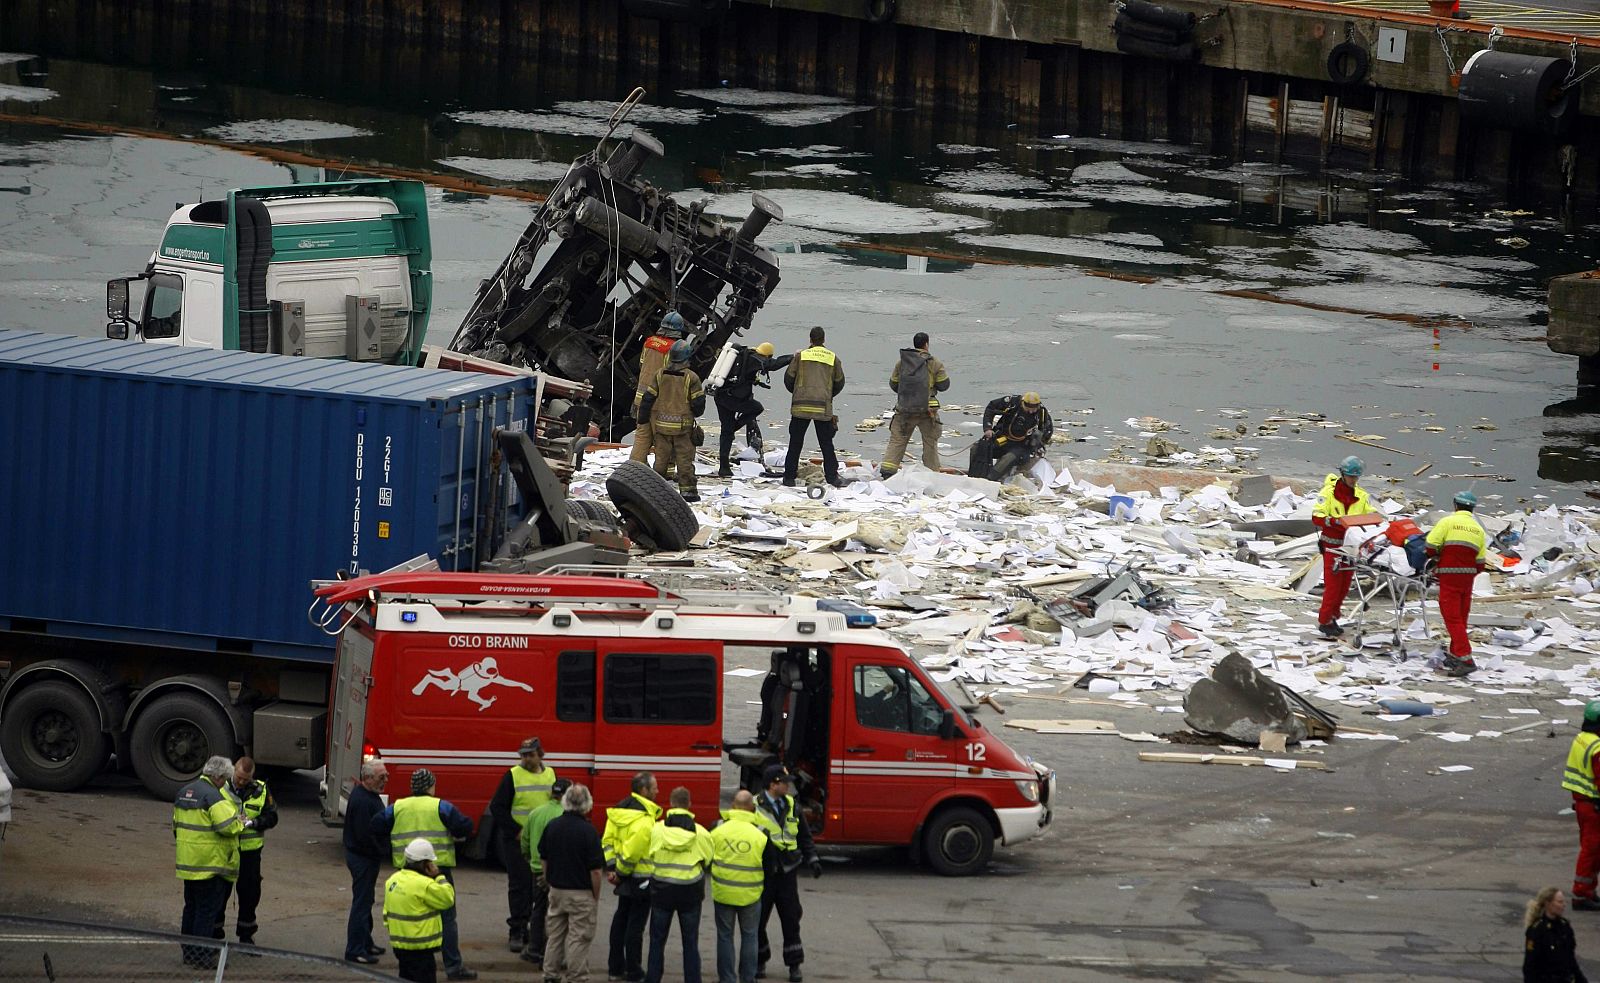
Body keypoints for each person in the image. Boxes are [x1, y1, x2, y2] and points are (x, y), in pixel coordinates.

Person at [373, 769, 477, 981]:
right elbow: (465, 826)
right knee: (447, 918)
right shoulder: (441, 806)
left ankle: (409, 957)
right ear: (431, 786)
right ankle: (453, 967)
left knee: (410, 915)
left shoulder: (398, 807)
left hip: (407, 871)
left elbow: (375, 824)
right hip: (436, 870)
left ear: (412, 787)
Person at [174, 754, 246, 969]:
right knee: (206, 913)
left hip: (188, 863)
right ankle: (201, 956)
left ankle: (188, 952)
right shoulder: (214, 796)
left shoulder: (183, 793)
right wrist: (241, 823)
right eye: (224, 779)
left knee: (191, 908)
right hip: (210, 865)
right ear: (218, 777)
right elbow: (228, 826)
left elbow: (176, 827)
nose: (224, 784)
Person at [489, 737, 557, 953]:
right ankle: (517, 929)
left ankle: (535, 931)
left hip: (542, 842)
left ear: (540, 754)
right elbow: (497, 807)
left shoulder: (551, 774)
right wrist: (516, 831)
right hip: (517, 841)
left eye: (530, 755)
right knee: (519, 885)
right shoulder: (513, 775)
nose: (526, 759)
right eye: (523, 755)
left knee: (541, 886)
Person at [754, 766, 821, 983]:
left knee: (791, 920)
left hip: (787, 872)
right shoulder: (754, 806)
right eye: (784, 782)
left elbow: (804, 836)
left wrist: (813, 858)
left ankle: (794, 965)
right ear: (773, 784)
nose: (788, 785)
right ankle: (760, 960)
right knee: (758, 920)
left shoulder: (792, 805)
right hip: (763, 874)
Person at [642, 787, 714, 983]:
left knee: (657, 941)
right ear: (689, 804)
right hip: (690, 891)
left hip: (661, 890)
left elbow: (650, 853)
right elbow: (708, 860)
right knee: (690, 942)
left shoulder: (657, 829)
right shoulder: (701, 833)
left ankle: (653, 979)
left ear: (671, 804)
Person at [540, 782, 606, 983]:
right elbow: (596, 871)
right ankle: (576, 977)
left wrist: (549, 881)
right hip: (581, 893)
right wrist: (595, 896)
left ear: (565, 801)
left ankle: (550, 975)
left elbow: (544, 858)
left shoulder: (552, 826)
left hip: (557, 890)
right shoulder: (589, 831)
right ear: (587, 804)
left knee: (555, 936)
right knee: (579, 938)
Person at [603, 771, 663, 983]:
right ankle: (633, 971)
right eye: (654, 787)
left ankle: (615, 968)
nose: (658, 791)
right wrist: (621, 873)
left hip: (624, 877)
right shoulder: (644, 820)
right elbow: (632, 853)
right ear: (644, 790)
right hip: (641, 879)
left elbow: (607, 842)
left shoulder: (617, 812)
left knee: (620, 921)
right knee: (635, 928)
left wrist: (612, 868)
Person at [1311, 455, 1376, 639]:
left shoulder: (1361, 496)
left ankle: (1333, 617)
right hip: (1332, 545)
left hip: (1351, 546)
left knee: (1345, 585)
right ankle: (1325, 620)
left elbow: (1370, 515)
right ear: (1343, 474)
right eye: (1350, 476)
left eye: (1356, 477)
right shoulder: (1328, 493)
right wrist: (1335, 521)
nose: (1353, 480)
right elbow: (1316, 517)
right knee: (1333, 585)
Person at [1425, 490, 1489, 677]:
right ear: (1472, 508)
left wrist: (1437, 560)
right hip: (1468, 579)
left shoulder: (1447, 522)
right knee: (1461, 617)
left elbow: (1431, 545)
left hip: (1449, 576)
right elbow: (1480, 563)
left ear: (1455, 505)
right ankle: (1455, 654)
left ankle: (1466, 659)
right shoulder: (1478, 529)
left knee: (1451, 617)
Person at [638, 339, 706, 502]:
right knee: (684, 460)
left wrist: (643, 418)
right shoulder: (691, 377)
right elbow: (698, 404)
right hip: (683, 428)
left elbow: (648, 398)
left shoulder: (660, 374)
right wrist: (695, 413)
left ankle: (656, 491)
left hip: (661, 426)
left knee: (661, 460)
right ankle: (688, 492)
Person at [710, 791, 768, 983]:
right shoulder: (762, 832)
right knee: (750, 936)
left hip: (723, 892)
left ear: (733, 806)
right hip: (751, 894)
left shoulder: (718, 827)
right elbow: (769, 866)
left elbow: (707, 857)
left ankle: (727, 978)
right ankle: (748, 978)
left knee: (725, 937)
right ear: (752, 807)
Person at [384, 838, 457, 983]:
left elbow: (387, 915)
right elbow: (448, 898)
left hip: (400, 947)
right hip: (420, 950)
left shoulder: (392, 881)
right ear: (426, 864)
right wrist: (439, 876)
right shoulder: (424, 885)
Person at [715, 341, 793, 477]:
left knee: (726, 431)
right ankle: (734, 427)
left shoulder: (743, 355)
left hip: (720, 395)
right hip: (733, 398)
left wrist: (754, 380)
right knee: (757, 408)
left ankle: (724, 467)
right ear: (767, 355)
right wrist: (791, 357)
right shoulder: (756, 359)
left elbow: (744, 374)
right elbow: (772, 365)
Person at [782, 326, 846, 489]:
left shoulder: (801, 356)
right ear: (824, 339)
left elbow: (789, 378)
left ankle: (789, 477)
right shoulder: (833, 358)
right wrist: (828, 395)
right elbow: (839, 382)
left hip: (800, 405)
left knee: (795, 443)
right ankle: (832, 477)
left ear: (810, 339)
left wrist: (797, 392)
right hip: (822, 407)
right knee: (826, 443)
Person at [520, 776, 575, 968]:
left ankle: (534, 948)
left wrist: (529, 858)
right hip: (558, 873)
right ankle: (553, 954)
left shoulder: (536, 813)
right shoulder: (566, 817)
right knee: (558, 914)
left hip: (537, 869)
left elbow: (525, 841)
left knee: (538, 909)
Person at [879, 332, 950, 479]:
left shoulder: (902, 362)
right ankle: (932, 474)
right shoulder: (935, 363)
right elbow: (944, 385)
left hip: (905, 409)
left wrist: (908, 395)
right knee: (930, 443)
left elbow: (894, 384)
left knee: (898, 440)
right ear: (926, 344)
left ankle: (887, 471)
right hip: (928, 411)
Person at [226, 756, 277, 945]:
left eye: (245, 779)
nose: (241, 782)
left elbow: (272, 817)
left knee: (249, 894)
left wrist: (254, 823)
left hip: (250, 853)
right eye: (239, 777)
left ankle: (246, 935)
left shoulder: (261, 790)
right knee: (220, 893)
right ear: (234, 770)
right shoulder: (222, 787)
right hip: (225, 850)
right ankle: (214, 935)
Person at [344, 757, 390, 965]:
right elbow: (365, 836)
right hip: (363, 858)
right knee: (362, 904)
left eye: (386, 776)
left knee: (366, 901)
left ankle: (365, 941)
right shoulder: (363, 801)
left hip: (365, 857)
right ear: (368, 778)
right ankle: (355, 950)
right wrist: (384, 850)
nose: (385, 781)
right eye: (382, 777)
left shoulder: (367, 795)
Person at [631, 312, 685, 464]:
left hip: (641, 398)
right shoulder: (674, 348)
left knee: (642, 435)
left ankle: (635, 466)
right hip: (660, 400)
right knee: (663, 438)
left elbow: (641, 364)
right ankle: (662, 471)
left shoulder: (649, 342)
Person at [1563, 702, 1600, 912]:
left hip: (1583, 803)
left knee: (1593, 851)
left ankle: (1588, 890)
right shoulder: (1597, 748)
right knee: (1591, 851)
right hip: (1594, 806)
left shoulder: (1581, 739)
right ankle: (1581, 893)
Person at [968, 392, 1053, 482]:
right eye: (1028, 409)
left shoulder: (1042, 412)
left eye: (1034, 409)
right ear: (1023, 403)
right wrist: (988, 428)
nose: (1031, 412)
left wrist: (1038, 446)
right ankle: (974, 474)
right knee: (977, 447)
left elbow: (1048, 431)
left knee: (1008, 458)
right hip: (1003, 439)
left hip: (1022, 446)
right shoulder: (1012, 403)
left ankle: (989, 479)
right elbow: (991, 407)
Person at [1523, 887, 1588, 982]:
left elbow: (1570, 959)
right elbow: (1530, 967)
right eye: (1560, 902)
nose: (1564, 905)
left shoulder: (1564, 926)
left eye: (1563, 902)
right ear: (1548, 904)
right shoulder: (1537, 930)